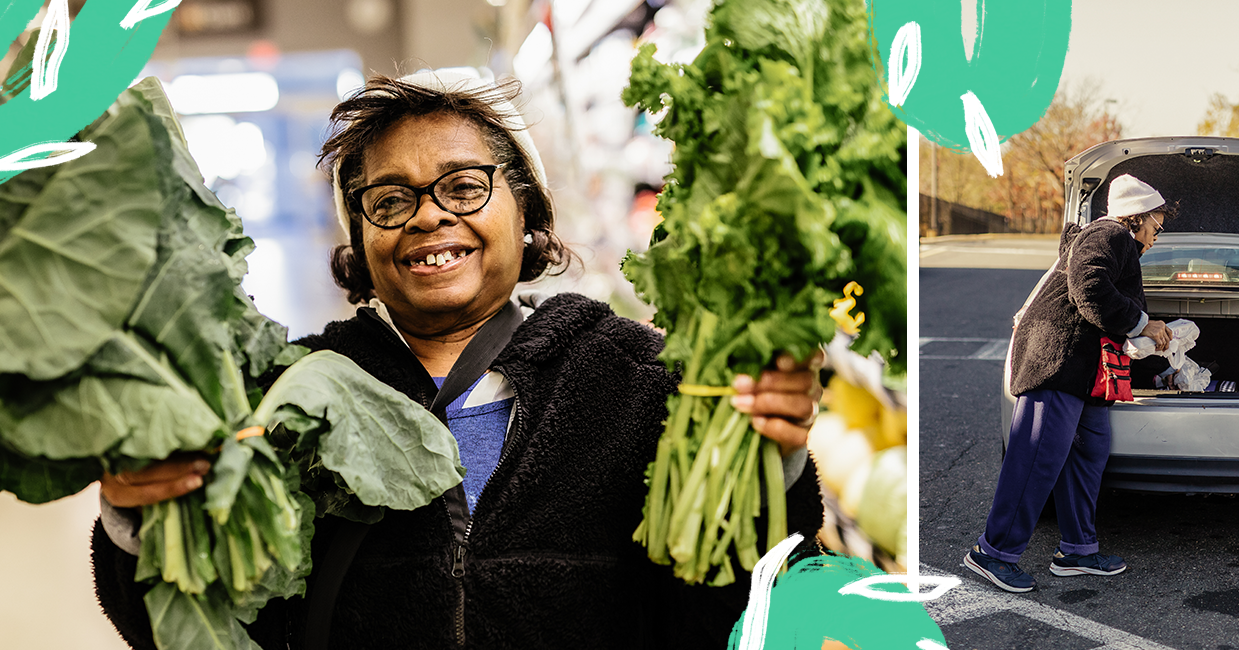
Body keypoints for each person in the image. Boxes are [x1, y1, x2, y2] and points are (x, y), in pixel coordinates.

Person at [90, 70, 826, 649]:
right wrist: (134, 515)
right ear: (359, 239)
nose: (429, 215)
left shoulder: (645, 381)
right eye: (388, 199)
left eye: (464, 186)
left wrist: (778, 465)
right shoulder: (284, 400)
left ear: (527, 210)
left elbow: (737, 617)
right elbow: (201, 625)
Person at [963, 173, 1174, 593]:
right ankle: (992, 552)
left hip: (1085, 369)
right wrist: (1143, 322)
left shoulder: (1118, 243)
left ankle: (1077, 549)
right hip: (1058, 358)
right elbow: (1089, 287)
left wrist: (1158, 356)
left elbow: (1112, 314)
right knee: (1038, 455)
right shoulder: (1110, 234)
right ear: (1137, 217)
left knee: (1089, 450)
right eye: (1157, 225)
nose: (1157, 235)